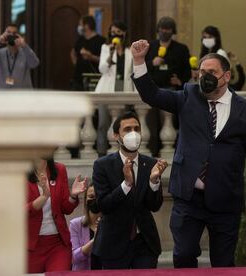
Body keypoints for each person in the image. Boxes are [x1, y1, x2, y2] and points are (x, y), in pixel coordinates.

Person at [131, 40, 246, 268]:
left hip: (226, 199)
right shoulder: (188, 96)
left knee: (224, 263)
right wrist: (138, 61)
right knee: (183, 255)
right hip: (189, 198)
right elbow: (151, 95)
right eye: (202, 72)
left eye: (212, 72)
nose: (205, 76)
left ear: (226, 76)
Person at [92, 111, 168, 269]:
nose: (133, 133)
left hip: (145, 243)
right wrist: (126, 184)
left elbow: (155, 206)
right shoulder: (102, 165)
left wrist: (154, 181)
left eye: (136, 129)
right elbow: (103, 205)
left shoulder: (151, 164)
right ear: (115, 136)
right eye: (127, 129)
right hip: (113, 244)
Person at [27, 158, 88, 273]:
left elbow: (66, 208)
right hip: (30, 246)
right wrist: (43, 197)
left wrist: (73, 196)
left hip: (57, 244)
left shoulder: (59, 169)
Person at [145, 16, 191, 157]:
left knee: (169, 122)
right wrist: (152, 63)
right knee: (151, 123)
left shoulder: (181, 49)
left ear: (172, 31)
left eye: (167, 29)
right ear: (158, 30)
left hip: (172, 92)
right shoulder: (150, 47)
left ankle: (171, 152)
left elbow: (187, 71)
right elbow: (139, 67)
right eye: (162, 29)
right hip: (152, 90)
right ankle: (152, 152)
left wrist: (180, 81)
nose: (164, 31)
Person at [95, 21, 135, 156]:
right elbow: (102, 69)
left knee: (121, 125)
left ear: (124, 33)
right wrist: (111, 54)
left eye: (118, 32)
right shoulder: (106, 48)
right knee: (103, 123)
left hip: (124, 90)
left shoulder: (130, 51)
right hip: (107, 90)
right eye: (112, 32)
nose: (114, 35)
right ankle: (101, 152)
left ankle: (122, 152)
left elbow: (133, 71)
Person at [0, 23, 39, 89]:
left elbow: (34, 64)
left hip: (22, 95)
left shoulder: (25, 52)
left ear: (19, 36)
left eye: (14, 33)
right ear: (4, 35)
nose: (11, 35)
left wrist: (24, 45)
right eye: (8, 33)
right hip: (3, 95)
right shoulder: (0, 53)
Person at [70, 183, 102, 271]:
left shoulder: (111, 224)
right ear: (85, 200)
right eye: (91, 196)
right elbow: (74, 258)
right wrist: (94, 240)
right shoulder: (75, 224)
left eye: (98, 196)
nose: (95, 200)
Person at [70, 15, 106, 91]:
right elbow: (73, 52)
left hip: (94, 78)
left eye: (80, 24)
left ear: (86, 26)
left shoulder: (101, 41)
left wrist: (91, 56)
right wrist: (77, 64)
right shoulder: (80, 39)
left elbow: (104, 60)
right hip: (78, 78)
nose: (79, 27)